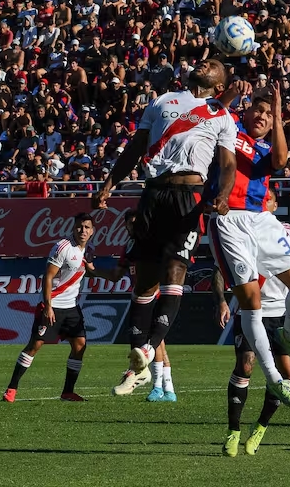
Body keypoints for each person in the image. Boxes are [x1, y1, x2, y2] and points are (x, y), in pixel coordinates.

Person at [91, 59, 238, 392]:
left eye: (214, 63)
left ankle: (145, 350)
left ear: (219, 86)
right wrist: (108, 184)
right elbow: (135, 147)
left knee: (174, 274)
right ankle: (139, 366)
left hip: (189, 196)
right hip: (153, 193)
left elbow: (228, 165)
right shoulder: (161, 101)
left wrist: (224, 194)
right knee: (143, 284)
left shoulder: (221, 115)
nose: (205, 61)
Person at [207, 80, 290, 410]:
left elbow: (281, 161)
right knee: (250, 304)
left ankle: (289, 338)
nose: (263, 116)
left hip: (260, 220)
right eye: (259, 109)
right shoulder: (231, 126)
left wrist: (279, 115)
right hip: (229, 219)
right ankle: (276, 380)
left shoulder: (268, 149)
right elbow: (210, 111)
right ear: (247, 109)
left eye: (269, 113)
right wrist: (232, 96)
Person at [212, 186, 290, 457]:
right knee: (245, 365)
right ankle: (233, 431)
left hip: (281, 310)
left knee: (288, 372)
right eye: (261, 198)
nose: (262, 202)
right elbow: (221, 270)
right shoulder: (237, 229)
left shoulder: (286, 232)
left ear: (275, 206)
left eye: (267, 199)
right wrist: (222, 300)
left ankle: (260, 429)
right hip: (251, 310)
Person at [2, 213, 96, 403]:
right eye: (79, 226)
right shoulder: (63, 247)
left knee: (79, 345)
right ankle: (11, 388)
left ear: (92, 231)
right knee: (35, 345)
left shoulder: (88, 251)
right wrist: (48, 306)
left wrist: (111, 274)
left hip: (72, 308)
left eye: (87, 227)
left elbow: (91, 272)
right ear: (73, 227)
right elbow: (48, 277)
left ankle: (68, 392)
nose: (83, 230)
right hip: (53, 305)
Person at [85, 211, 176, 402]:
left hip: (154, 297)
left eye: (136, 222)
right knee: (158, 344)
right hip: (143, 298)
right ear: (125, 226)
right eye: (130, 224)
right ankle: (167, 389)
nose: (133, 227)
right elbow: (116, 275)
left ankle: (159, 387)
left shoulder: (151, 242)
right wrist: (94, 272)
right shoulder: (130, 247)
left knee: (154, 342)